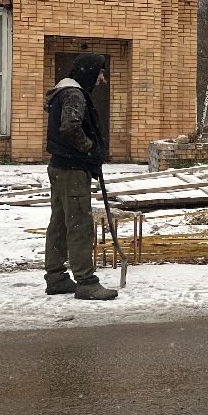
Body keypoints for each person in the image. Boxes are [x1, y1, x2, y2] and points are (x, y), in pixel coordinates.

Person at [43, 53, 117, 300]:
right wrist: (90, 151)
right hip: (72, 170)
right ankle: (86, 281)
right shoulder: (74, 95)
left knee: (60, 223)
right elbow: (70, 128)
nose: (102, 79)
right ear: (89, 72)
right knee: (79, 225)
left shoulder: (62, 92)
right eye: (100, 73)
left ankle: (55, 277)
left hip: (60, 167)